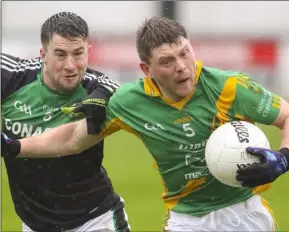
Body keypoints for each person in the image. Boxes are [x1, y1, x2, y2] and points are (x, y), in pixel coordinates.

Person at [2, 16, 289, 231]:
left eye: (184, 53)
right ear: (146, 69)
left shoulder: (229, 86)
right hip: (186, 219)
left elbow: (286, 116)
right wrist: (14, 146)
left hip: (246, 212)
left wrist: (283, 157)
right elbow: (73, 138)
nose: (181, 66)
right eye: (167, 61)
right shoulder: (130, 102)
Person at [1, 12, 130, 232]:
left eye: (78, 54)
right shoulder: (12, 77)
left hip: (94, 219)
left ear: (88, 52)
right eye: (60, 54)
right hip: (34, 223)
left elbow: (119, 88)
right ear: (43, 54)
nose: (70, 65)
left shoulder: (98, 92)